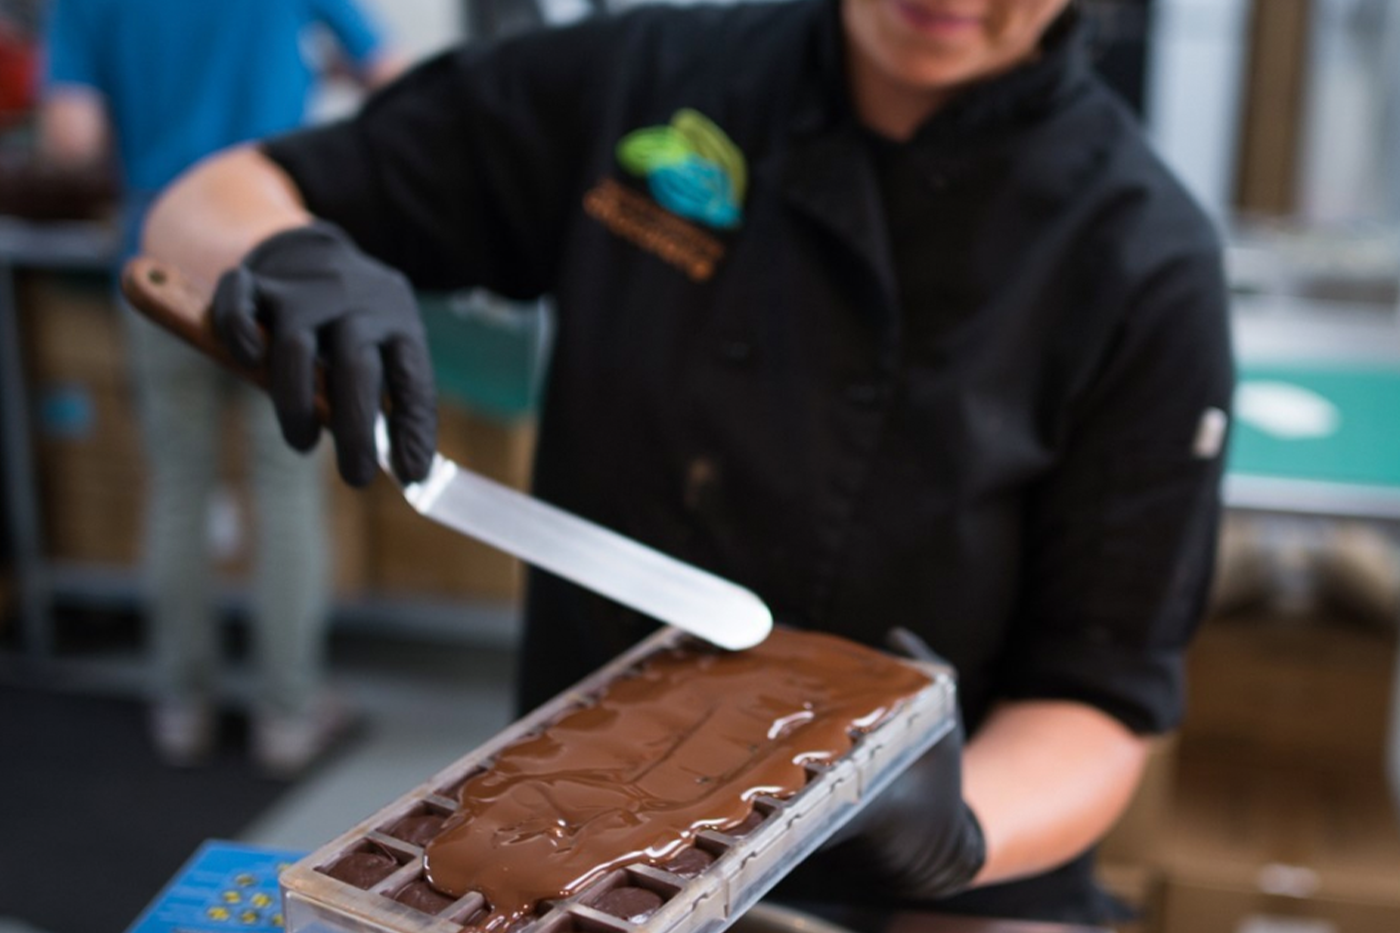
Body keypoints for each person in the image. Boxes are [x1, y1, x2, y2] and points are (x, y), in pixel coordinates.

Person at [141, 0, 1234, 921]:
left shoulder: (1141, 258)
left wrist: (953, 832)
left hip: (944, 897)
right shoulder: (649, 82)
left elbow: (1097, 697)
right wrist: (283, 258)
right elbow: (205, 202)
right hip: (569, 860)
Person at [38, 0, 404, 777]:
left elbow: (71, 137)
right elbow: (393, 76)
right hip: (271, 253)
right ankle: (288, 715)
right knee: (285, 487)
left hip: (159, 256)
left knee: (177, 484)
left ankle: (182, 706)